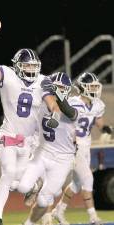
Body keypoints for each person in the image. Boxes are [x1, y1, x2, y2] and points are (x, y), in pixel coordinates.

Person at [0, 22, 62, 225]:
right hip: (8, 135)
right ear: (17, 66)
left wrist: (55, 117)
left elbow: (54, 106)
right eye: (27, 66)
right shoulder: (7, 75)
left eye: (34, 66)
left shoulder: (43, 81)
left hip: (28, 142)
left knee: (18, 184)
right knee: (8, 174)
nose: (31, 70)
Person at [17, 72, 81, 225]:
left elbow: (70, 112)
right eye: (56, 87)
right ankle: (36, 184)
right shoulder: (41, 103)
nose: (58, 90)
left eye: (61, 88)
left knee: (47, 197)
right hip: (43, 151)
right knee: (23, 186)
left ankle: (30, 223)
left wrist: (50, 90)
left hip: (63, 158)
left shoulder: (73, 103)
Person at [52, 72, 113, 225]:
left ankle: (58, 211)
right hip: (73, 146)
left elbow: (97, 118)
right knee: (88, 179)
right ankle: (93, 217)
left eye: (95, 86)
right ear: (83, 87)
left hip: (86, 145)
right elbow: (60, 115)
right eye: (91, 86)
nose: (94, 89)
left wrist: (105, 128)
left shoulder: (97, 104)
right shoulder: (72, 102)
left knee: (77, 184)